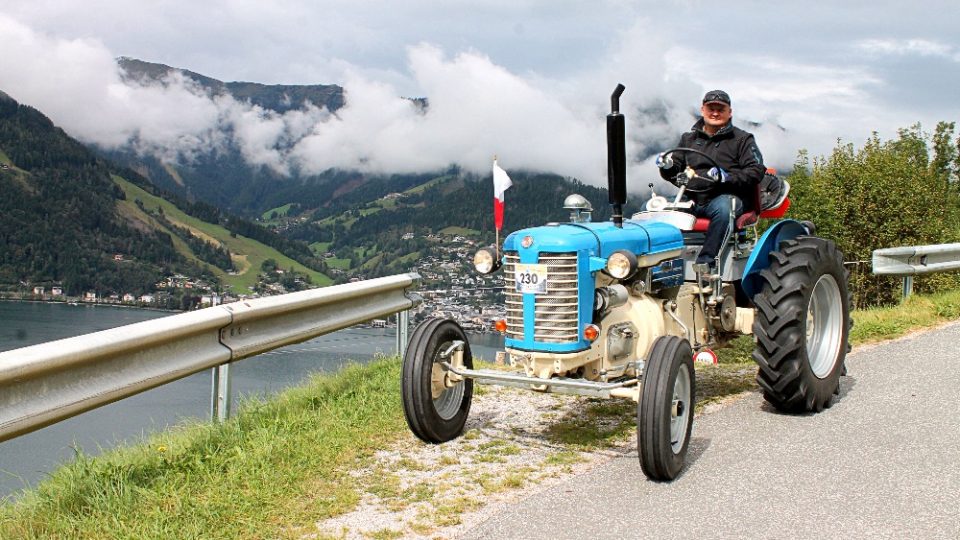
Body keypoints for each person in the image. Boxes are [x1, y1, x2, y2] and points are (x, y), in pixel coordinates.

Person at [656, 89, 765, 272]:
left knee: (723, 209)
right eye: (710, 108)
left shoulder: (742, 139)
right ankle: (656, 264)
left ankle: (706, 265)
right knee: (650, 209)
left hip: (726, 197)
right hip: (691, 198)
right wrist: (666, 165)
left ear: (729, 112)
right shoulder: (688, 138)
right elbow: (676, 168)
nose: (715, 113)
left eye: (720, 109)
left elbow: (756, 171)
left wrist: (726, 177)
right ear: (702, 110)